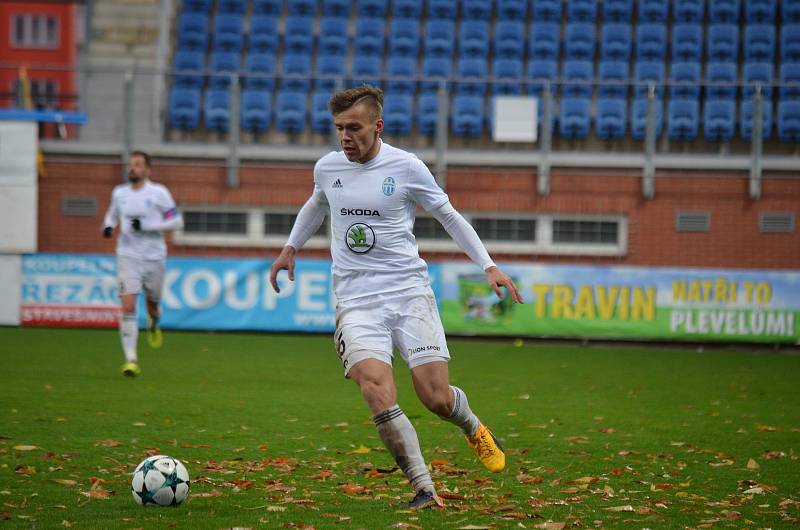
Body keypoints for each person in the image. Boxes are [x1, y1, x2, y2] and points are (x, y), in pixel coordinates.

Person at [269, 86, 524, 510]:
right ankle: (424, 488)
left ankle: (473, 426)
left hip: (408, 294)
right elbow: (317, 204)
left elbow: (448, 215)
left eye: (354, 128)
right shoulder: (328, 168)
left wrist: (488, 265)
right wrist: (290, 247)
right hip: (356, 301)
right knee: (376, 389)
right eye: (339, 129)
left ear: (377, 126)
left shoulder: (406, 167)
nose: (345, 137)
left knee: (435, 398)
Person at [102, 150, 183, 377]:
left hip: (154, 257)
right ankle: (131, 359)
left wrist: (146, 227)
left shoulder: (159, 193)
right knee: (128, 305)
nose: (132, 168)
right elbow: (111, 215)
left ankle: (154, 322)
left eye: (137, 165)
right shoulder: (119, 193)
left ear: (147, 170)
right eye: (130, 164)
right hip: (127, 255)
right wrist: (108, 227)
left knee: (153, 305)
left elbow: (176, 221)